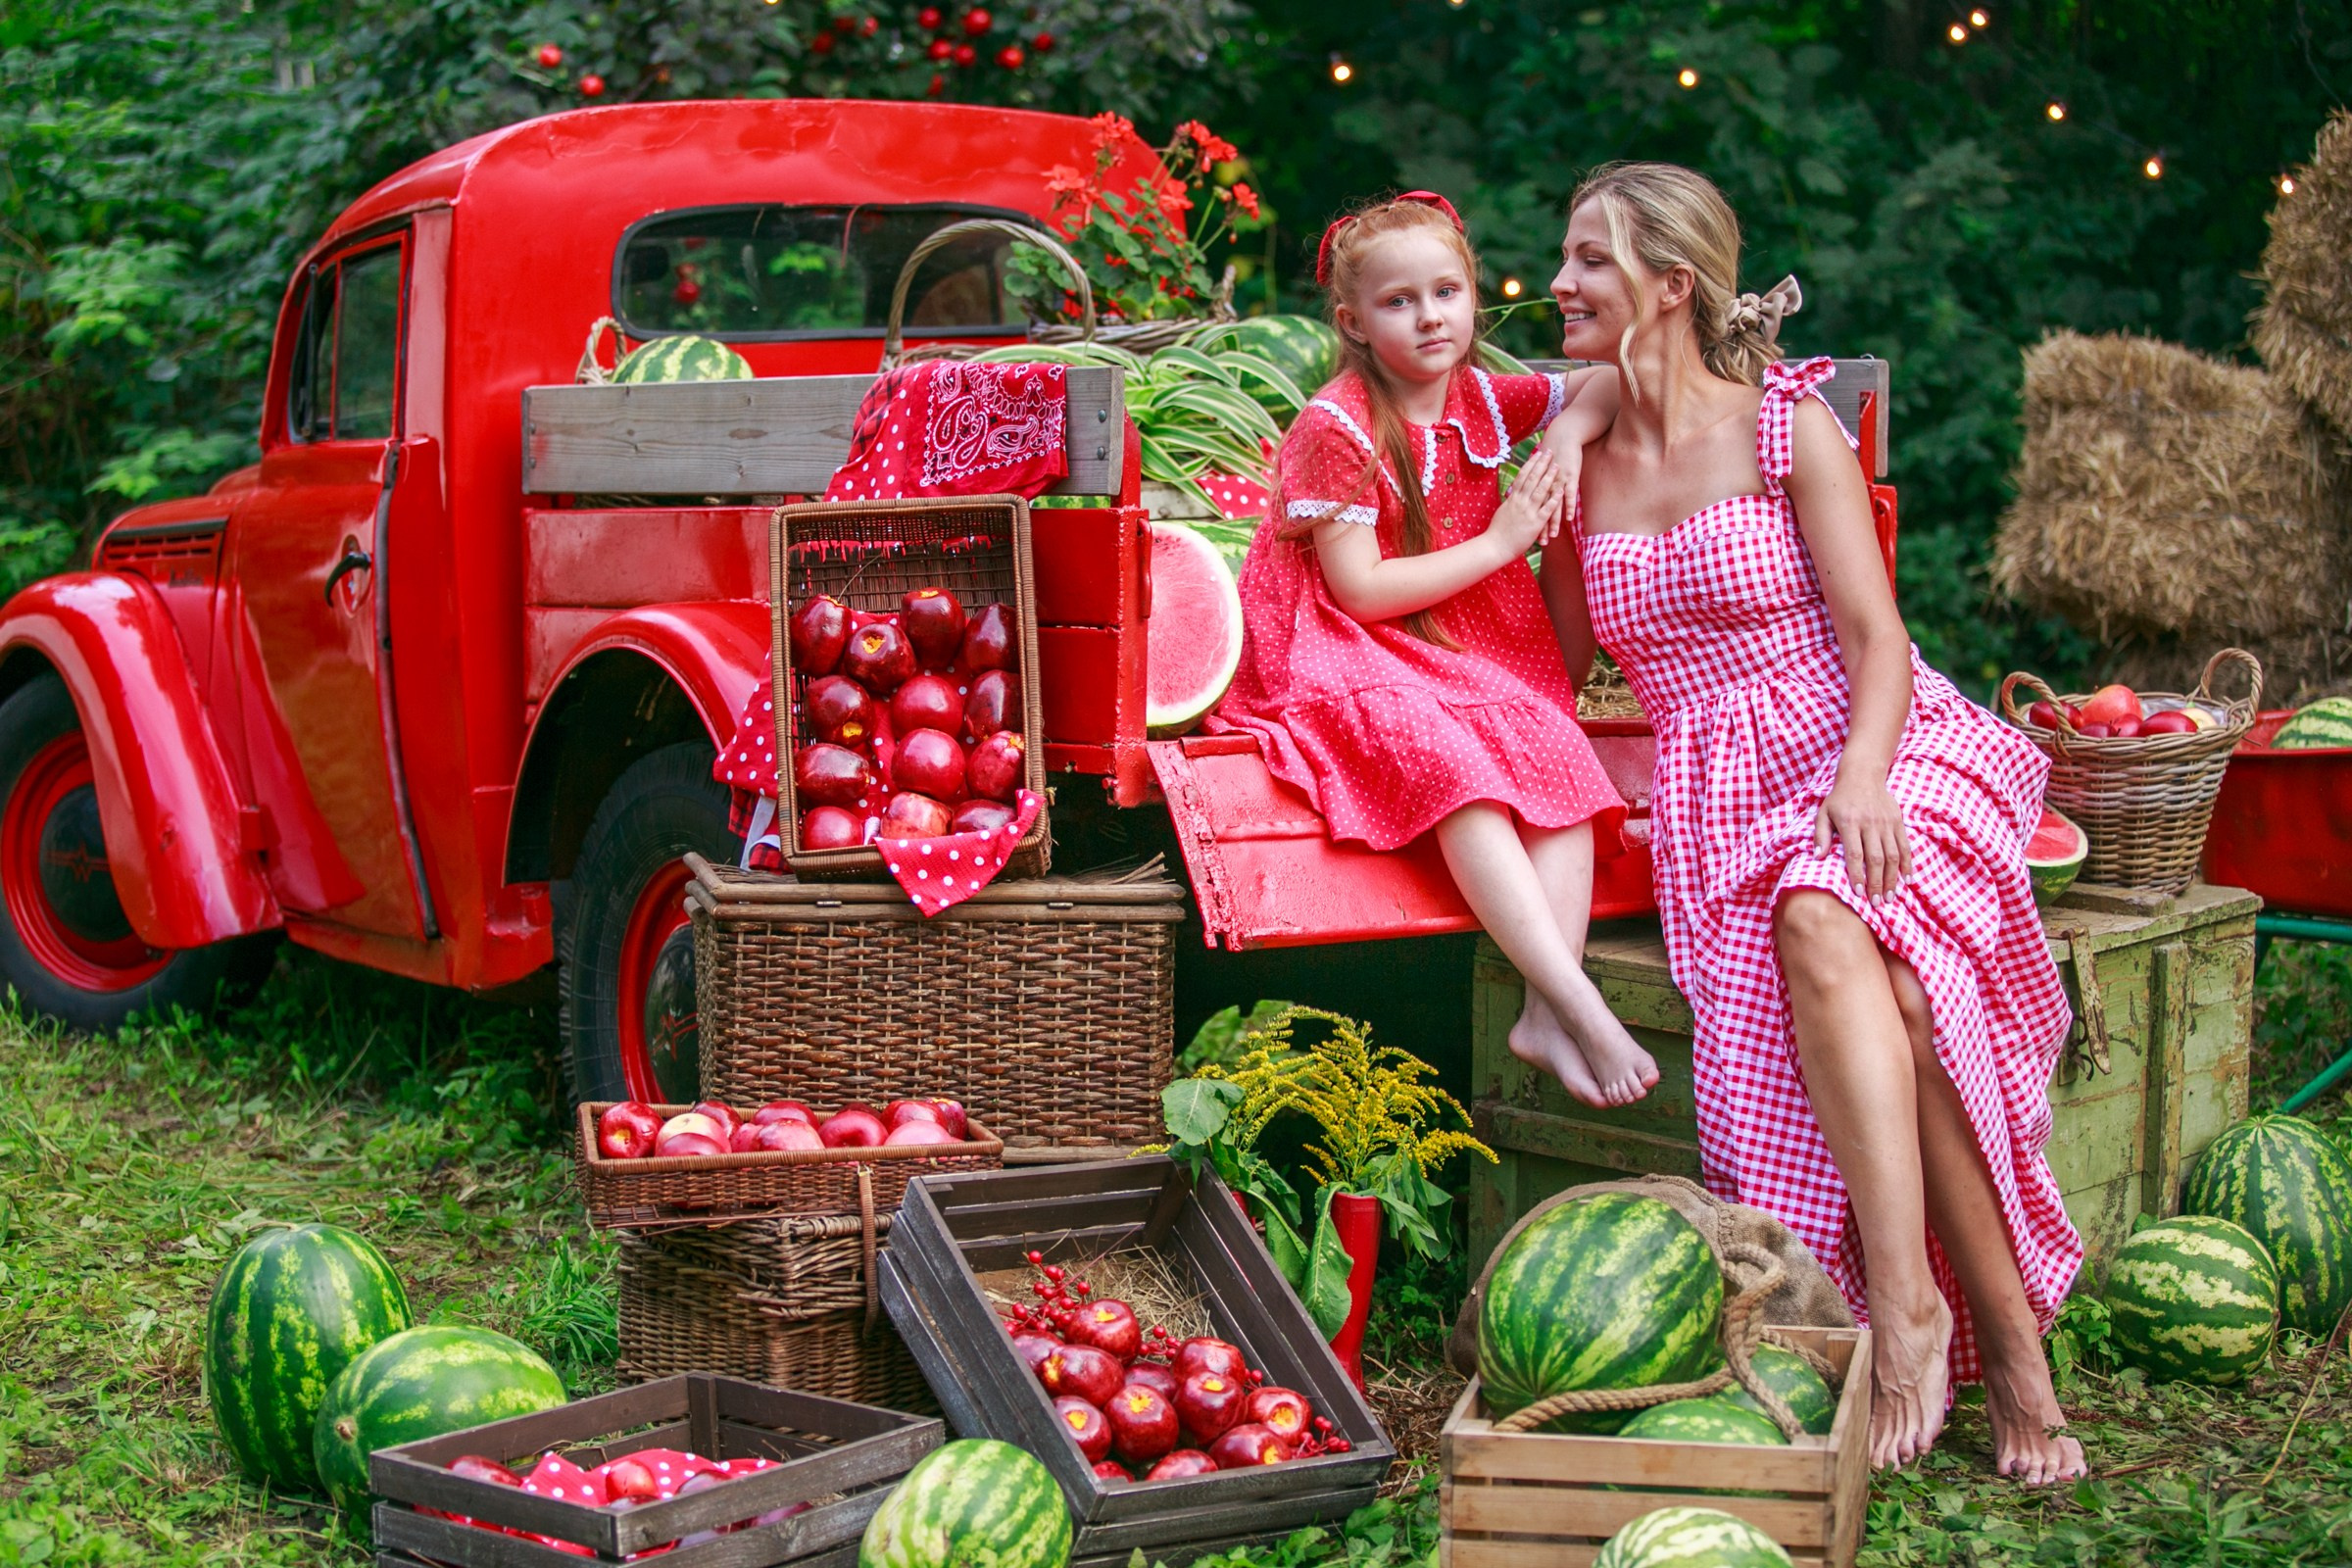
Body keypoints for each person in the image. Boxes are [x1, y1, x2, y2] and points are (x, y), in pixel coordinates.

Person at [1540, 161, 2087, 1483]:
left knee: (1817, 903)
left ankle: (1904, 1321)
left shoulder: (1790, 429)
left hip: (1881, 750)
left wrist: (1858, 773)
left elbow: (1877, 638)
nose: (1556, 283)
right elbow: (1550, 668)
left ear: (1670, 283)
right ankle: (2010, 1356)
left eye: (1588, 260)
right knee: (1891, 1000)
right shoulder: (1572, 454)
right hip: (1713, 792)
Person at [1209, 192, 1657, 1108]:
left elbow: (1615, 378)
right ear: (1353, 323)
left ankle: (1541, 1005)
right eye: (1399, 302)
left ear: (1474, 298)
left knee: (1563, 764)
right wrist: (1503, 543)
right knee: (1456, 768)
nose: (1430, 318)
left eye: (1447, 292)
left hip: (1463, 637)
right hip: (1353, 640)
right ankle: (1578, 996)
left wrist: (1566, 432)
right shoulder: (1336, 428)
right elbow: (1360, 591)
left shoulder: (1486, 397)